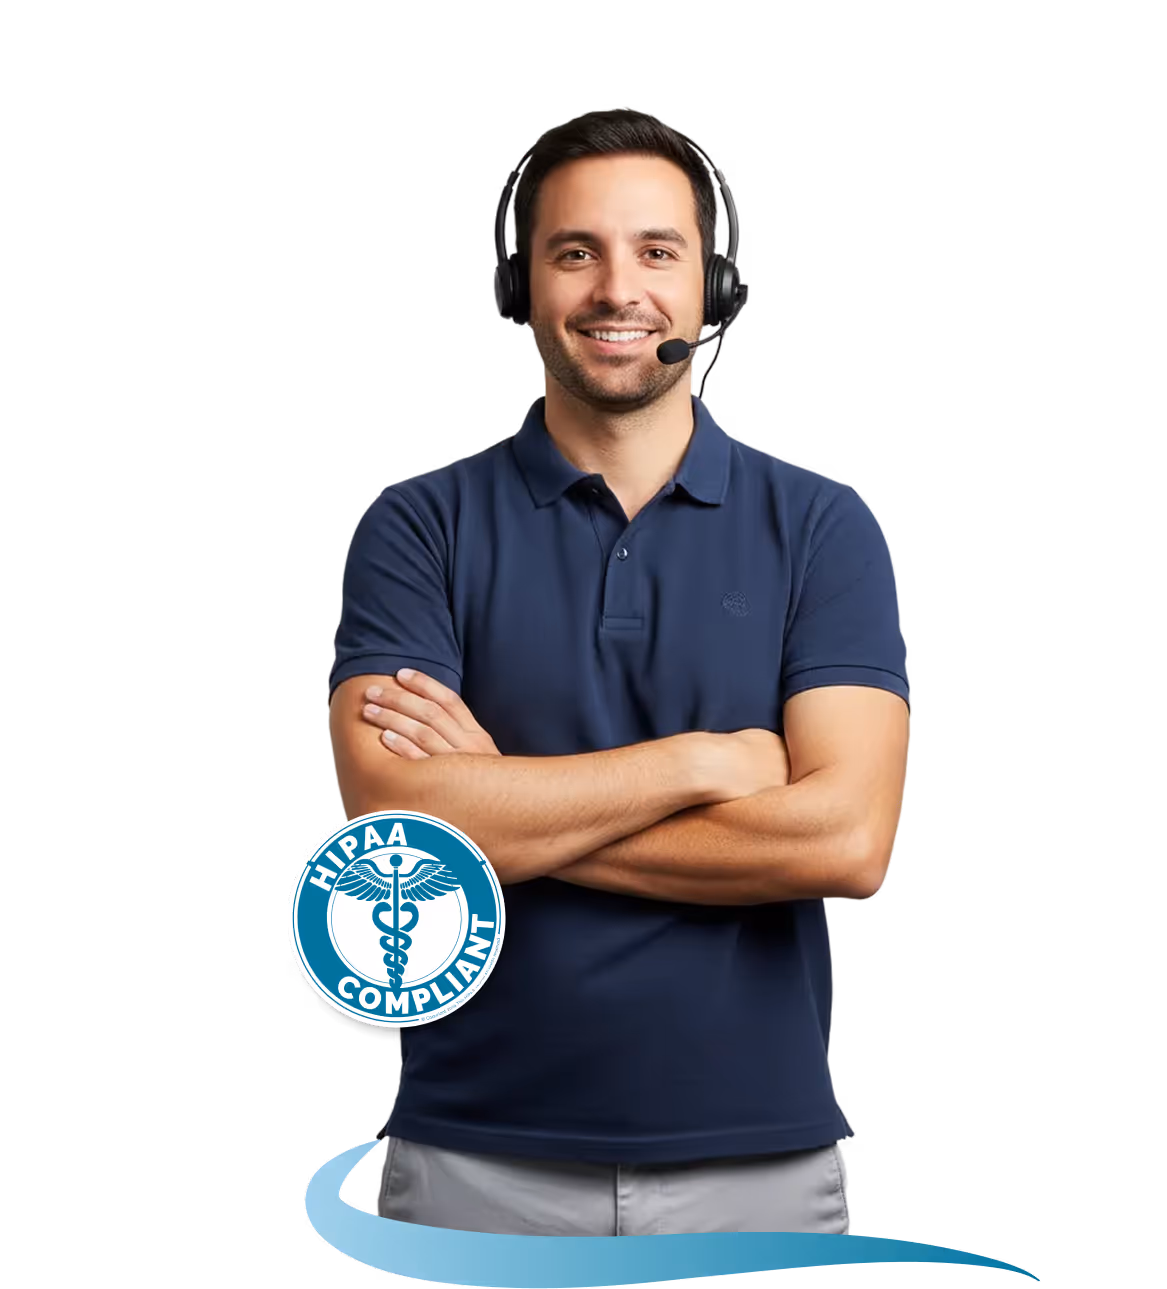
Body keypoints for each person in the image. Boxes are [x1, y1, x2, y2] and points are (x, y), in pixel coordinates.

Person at [327, 107, 911, 1237]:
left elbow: (845, 843)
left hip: (761, 1162)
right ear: (519, 286)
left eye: (656, 250)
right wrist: (707, 761)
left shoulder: (823, 524)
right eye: (574, 251)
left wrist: (504, 807)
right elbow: (393, 832)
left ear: (714, 288)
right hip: (468, 1161)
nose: (616, 290)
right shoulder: (416, 524)